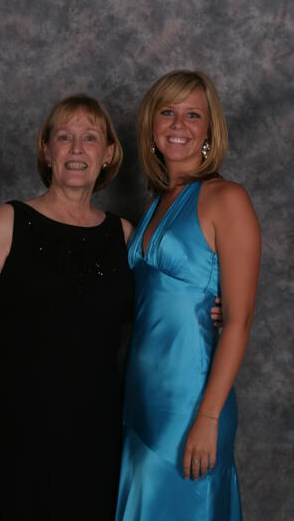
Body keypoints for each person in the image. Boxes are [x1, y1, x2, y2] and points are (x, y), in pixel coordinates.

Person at [0, 94, 135, 520]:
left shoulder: (126, 237)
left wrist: (210, 310)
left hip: (88, 440)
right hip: (3, 433)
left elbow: (161, 312)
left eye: (90, 138)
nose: (77, 149)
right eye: (65, 137)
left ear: (109, 153)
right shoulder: (7, 222)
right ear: (47, 150)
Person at [116, 70, 261, 520]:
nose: (179, 125)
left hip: (191, 401)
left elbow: (237, 320)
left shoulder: (227, 198)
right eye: (168, 112)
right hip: (140, 397)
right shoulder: (156, 203)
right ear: (152, 125)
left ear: (209, 129)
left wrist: (208, 417)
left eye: (192, 114)